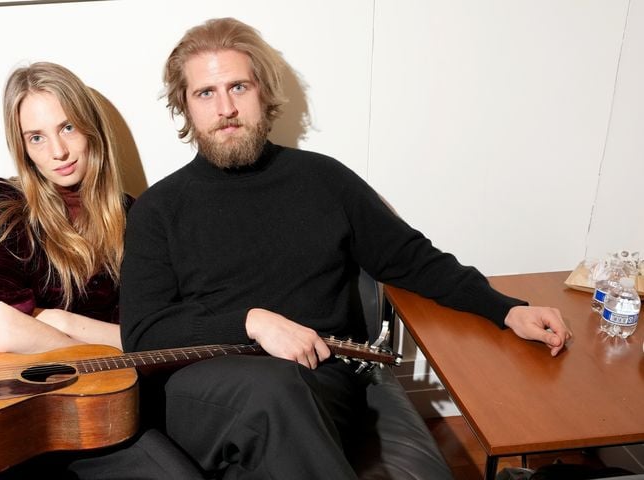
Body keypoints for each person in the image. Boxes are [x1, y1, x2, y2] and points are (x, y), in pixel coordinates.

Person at [119, 18, 573, 479]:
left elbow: (411, 259)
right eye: (205, 93)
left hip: (319, 378)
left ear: (264, 93)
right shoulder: (159, 209)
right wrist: (252, 322)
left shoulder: (323, 180)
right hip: (205, 388)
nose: (226, 107)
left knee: (275, 418)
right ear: (185, 107)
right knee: (271, 392)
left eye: (239, 86)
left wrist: (506, 309)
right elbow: (143, 331)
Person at [0, 62, 203, 479]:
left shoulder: (135, 218)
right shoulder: (2, 203)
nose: (58, 152)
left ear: (90, 128)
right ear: (24, 147)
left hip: (100, 411)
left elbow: (147, 339)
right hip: (10, 406)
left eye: (67, 128)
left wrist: (54, 321)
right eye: (37, 137)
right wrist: (105, 351)